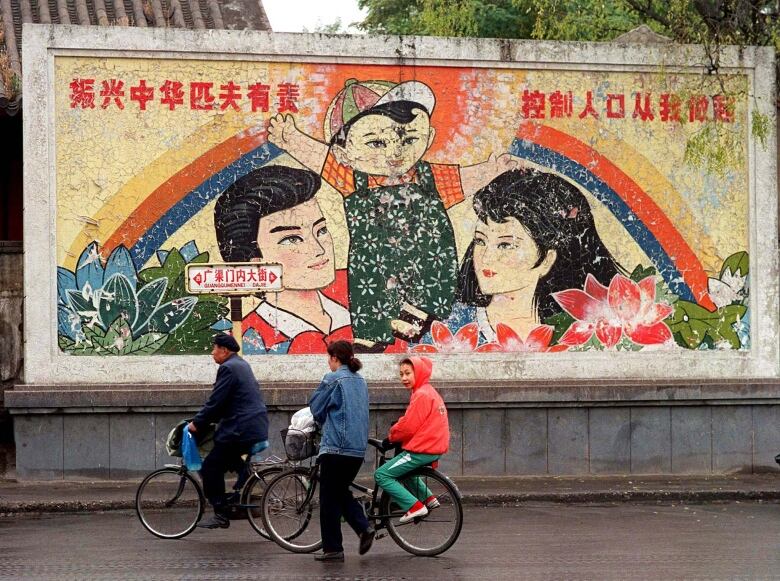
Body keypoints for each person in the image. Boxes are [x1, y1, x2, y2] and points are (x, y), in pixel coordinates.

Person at [268, 79, 518, 349]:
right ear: (343, 153)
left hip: (426, 256)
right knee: (369, 291)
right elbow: (320, 157)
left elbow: (463, 179)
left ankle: (418, 311)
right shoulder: (352, 180)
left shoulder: (430, 177)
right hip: (374, 260)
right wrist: (292, 140)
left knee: (433, 271)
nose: (396, 153)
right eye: (376, 143)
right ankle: (370, 337)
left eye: (409, 139)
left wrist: (490, 171)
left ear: (428, 138)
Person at [417, 168, 625, 348]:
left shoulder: (589, 331)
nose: (486, 257)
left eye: (506, 245)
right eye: (480, 241)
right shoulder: (447, 329)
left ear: (547, 259)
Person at [214, 165, 352, 354]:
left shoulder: (358, 288)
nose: (319, 249)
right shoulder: (248, 338)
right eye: (292, 239)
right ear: (254, 262)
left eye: (321, 230)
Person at [188, 333, 269, 529]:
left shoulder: (228, 368)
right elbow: (228, 402)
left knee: (210, 467)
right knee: (231, 460)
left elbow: (216, 402)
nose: (212, 352)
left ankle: (220, 513)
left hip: (240, 429)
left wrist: (197, 423)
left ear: (224, 351)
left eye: (214, 348)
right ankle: (242, 486)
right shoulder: (241, 365)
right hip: (253, 426)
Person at [308, 340, 374, 562]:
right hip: (357, 450)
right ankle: (363, 528)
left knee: (328, 497)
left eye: (329, 357)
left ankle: (334, 548)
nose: (328, 362)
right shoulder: (360, 380)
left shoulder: (333, 379)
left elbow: (315, 408)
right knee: (339, 491)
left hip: (336, 448)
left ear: (335, 357)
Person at [374, 356, 449, 523]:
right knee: (405, 472)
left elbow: (408, 426)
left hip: (422, 449)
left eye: (408, 373)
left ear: (419, 372)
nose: (404, 378)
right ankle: (428, 499)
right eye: (401, 374)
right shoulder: (428, 391)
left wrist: (391, 436)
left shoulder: (421, 395)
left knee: (381, 475)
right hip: (433, 447)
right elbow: (412, 420)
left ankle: (415, 507)